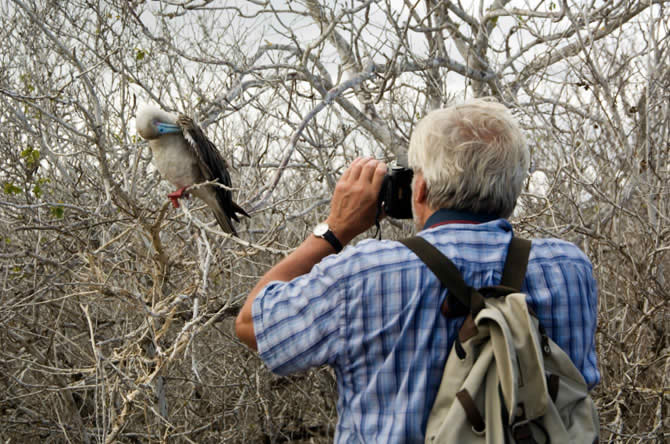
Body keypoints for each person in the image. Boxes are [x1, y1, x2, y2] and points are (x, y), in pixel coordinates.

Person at [235, 98, 599, 443]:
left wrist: (335, 229)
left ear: (420, 188)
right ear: (514, 191)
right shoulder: (568, 270)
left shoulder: (365, 273)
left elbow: (253, 324)